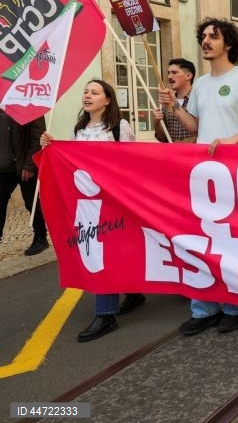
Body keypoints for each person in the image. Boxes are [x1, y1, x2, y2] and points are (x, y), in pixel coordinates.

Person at [158, 17, 238, 335]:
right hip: (204, 174)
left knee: (230, 242)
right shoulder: (201, 86)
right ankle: (204, 309)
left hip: (235, 174)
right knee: (200, 240)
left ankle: (233, 307)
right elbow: (195, 126)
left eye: (214, 36)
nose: (206, 41)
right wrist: (175, 106)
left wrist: (233, 141)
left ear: (229, 44)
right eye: (204, 37)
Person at [40, 80, 145, 342]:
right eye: (86, 91)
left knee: (107, 253)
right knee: (98, 252)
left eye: (94, 92)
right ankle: (132, 294)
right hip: (89, 205)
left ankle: (106, 314)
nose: (88, 95)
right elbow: (71, 163)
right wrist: (50, 146)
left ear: (107, 100)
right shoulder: (79, 129)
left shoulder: (120, 127)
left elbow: (131, 162)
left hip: (114, 201)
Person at [0, 109, 48, 255]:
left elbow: (37, 138)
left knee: (31, 202)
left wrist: (29, 165)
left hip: (25, 166)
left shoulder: (31, 106)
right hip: (3, 167)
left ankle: (40, 237)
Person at [152, 58, 197, 143]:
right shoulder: (167, 101)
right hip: (172, 151)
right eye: (169, 73)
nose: (169, 76)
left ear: (188, 76)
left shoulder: (198, 98)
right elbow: (162, 137)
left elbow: (204, 131)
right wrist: (157, 122)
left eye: (174, 72)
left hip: (195, 151)